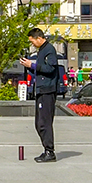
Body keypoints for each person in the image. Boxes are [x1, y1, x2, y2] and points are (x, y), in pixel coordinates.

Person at [23, 29, 66, 162]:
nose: (32, 44)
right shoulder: (42, 50)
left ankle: (50, 152)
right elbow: (41, 69)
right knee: (39, 123)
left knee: (44, 122)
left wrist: (34, 65)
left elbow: (50, 68)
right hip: (41, 89)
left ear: (38, 38)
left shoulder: (49, 50)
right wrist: (29, 66)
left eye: (32, 41)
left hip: (47, 90)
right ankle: (46, 149)